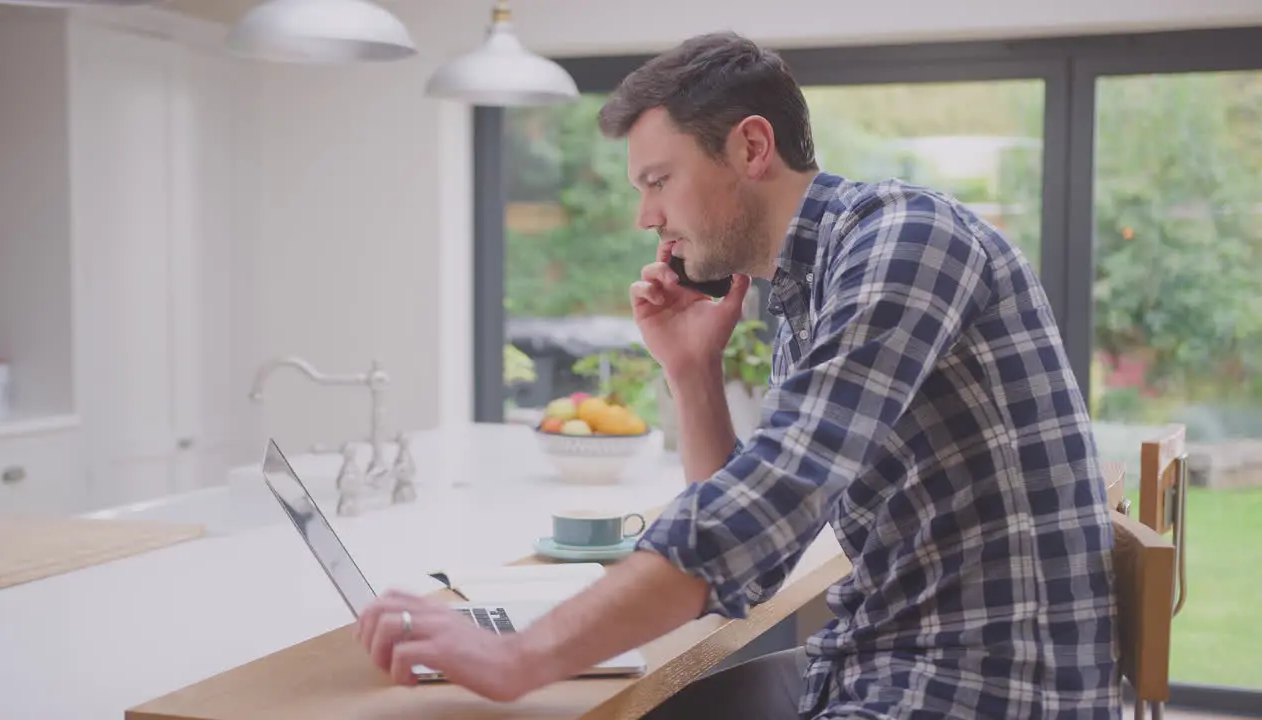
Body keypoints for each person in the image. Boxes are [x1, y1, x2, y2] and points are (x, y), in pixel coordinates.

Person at [354, 31, 1121, 719]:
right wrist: (692, 372)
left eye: (658, 180)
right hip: (882, 653)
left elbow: (770, 500)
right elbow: (758, 550)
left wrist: (516, 657)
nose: (645, 218)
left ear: (752, 147)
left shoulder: (905, 239)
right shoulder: (806, 293)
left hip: (985, 684)